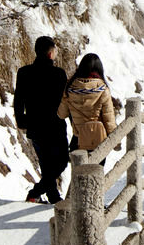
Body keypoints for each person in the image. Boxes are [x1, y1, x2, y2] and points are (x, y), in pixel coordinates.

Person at [14, 36, 69, 204]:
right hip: (55, 125)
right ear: (51, 53)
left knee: (46, 164)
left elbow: (18, 99)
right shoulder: (59, 74)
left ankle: (51, 197)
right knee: (61, 161)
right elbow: (65, 100)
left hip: (35, 125)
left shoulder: (24, 72)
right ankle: (38, 193)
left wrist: (21, 120)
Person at [58, 53, 117, 162]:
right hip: (98, 142)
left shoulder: (70, 88)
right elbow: (109, 120)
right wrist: (116, 142)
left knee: (78, 175)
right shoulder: (102, 89)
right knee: (96, 175)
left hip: (78, 140)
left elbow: (62, 114)